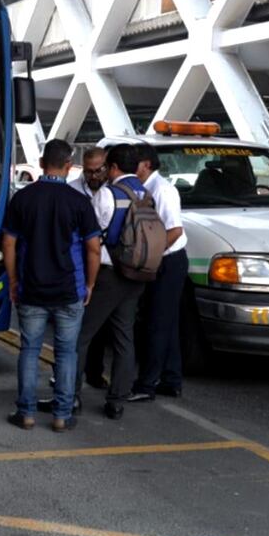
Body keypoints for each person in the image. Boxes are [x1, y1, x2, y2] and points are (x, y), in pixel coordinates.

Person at [2, 139, 100, 432]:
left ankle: (26, 413)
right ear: (69, 166)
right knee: (67, 352)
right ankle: (61, 415)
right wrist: (91, 285)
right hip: (69, 289)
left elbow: (9, 242)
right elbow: (93, 249)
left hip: (31, 288)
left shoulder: (23, 198)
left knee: (30, 350)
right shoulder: (79, 202)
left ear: (43, 163)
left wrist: (13, 280)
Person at [72, 144, 151, 420]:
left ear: (113, 167)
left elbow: (90, 238)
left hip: (107, 272)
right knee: (123, 337)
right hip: (136, 273)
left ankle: (71, 396)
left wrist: (88, 281)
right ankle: (117, 400)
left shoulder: (108, 193)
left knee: (81, 335)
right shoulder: (145, 193)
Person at [130, 144, 189, 401]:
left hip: (167, 262)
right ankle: (171, 378)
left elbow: (174, 230)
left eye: (134, 162)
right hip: (160, 260)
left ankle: (146, 384)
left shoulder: (162, 190)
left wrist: (149, 257)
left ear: (146, 164)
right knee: (168, 322)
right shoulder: (144, 188)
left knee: (156, 323)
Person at [67, 147, 111, 390]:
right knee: (75, 324)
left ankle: (94, 371)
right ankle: (69, 377)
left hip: (102, 264)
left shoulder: (112, 191)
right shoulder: (73, 189)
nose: (93, 176)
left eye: (98, 171)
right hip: (78, 262)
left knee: (98, 325)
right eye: (89, 171)